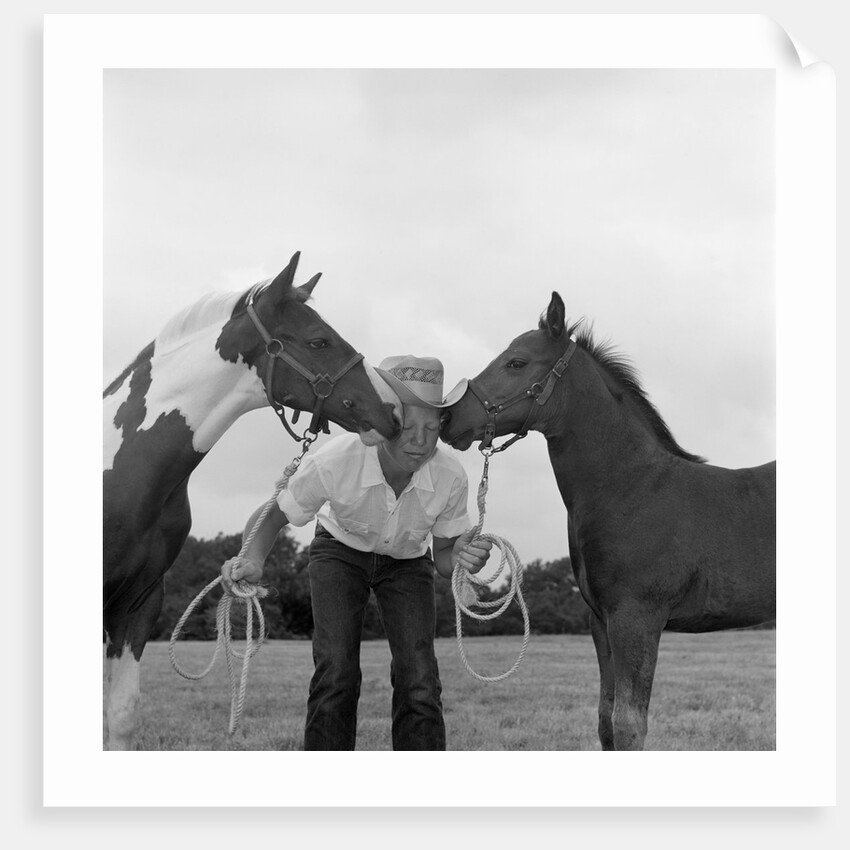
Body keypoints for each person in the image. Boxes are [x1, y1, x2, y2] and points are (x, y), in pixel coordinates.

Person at [221, 354, 492, 751]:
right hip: (340, 551)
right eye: (407, 427)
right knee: (337, 672)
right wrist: (254, 559)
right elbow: (274, 516)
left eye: (431, 428)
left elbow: (445, 559)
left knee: (419, 677)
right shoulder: (333, 461)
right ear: (381, 425)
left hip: (408, 561)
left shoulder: (451, 476)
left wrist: (466, 558)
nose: (420, 440)